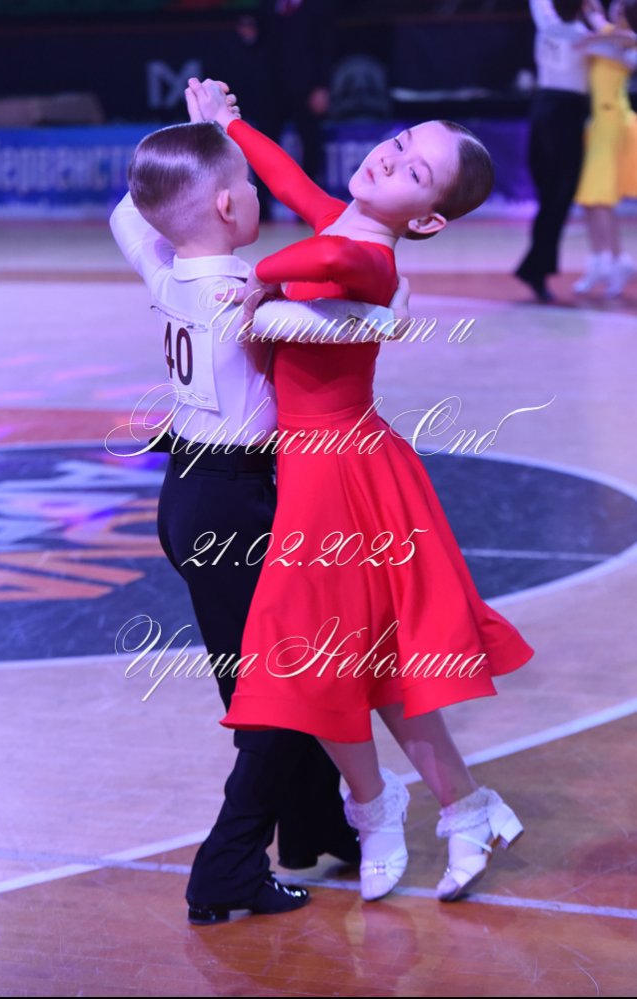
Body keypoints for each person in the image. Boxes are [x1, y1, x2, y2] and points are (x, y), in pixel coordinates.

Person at [187, 77, 535, 905]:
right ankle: (437, 807)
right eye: (400, 142)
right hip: (319, 471)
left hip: (347, 473)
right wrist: (232, 125)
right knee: (345, 656)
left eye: (415, 171)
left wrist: (263, 276)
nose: (390, 157)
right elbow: (289, 181)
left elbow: (335, 260)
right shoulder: (339, 221)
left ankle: (395, 809)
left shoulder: (371, 257)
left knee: (331, 652)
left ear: (429, 221)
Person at [109, 112, 402, 924]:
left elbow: (128, 212)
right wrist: (394, 306)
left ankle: (312, 828)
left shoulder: (166, 268)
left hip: (188, 495)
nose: (254, 191)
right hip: (235, 505)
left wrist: (189, 143)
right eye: (245, 181)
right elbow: (349, 318)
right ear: (230, 207)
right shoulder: (242, 291)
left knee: (269, 673)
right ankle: (226, 866)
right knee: (281, 688)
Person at [515, 0, 600, 303]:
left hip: (542, 112)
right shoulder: (584, 36)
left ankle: (535, 268)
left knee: (551, 198)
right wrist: (596, 17)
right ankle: (535, 269)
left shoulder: (547, 24)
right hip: (564, 117)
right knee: (558, 197)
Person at [572, 0, 637, 297]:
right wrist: (593, 19)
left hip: (613, 123)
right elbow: (595, 21)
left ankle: (616, 260)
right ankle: (602, 260)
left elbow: (621, 42)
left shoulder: (627, 44)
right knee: (590, 199)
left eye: (622, 9)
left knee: (600, 198)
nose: (615, 10)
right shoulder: (610, 35)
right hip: (599, 123)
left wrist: (594, 37)